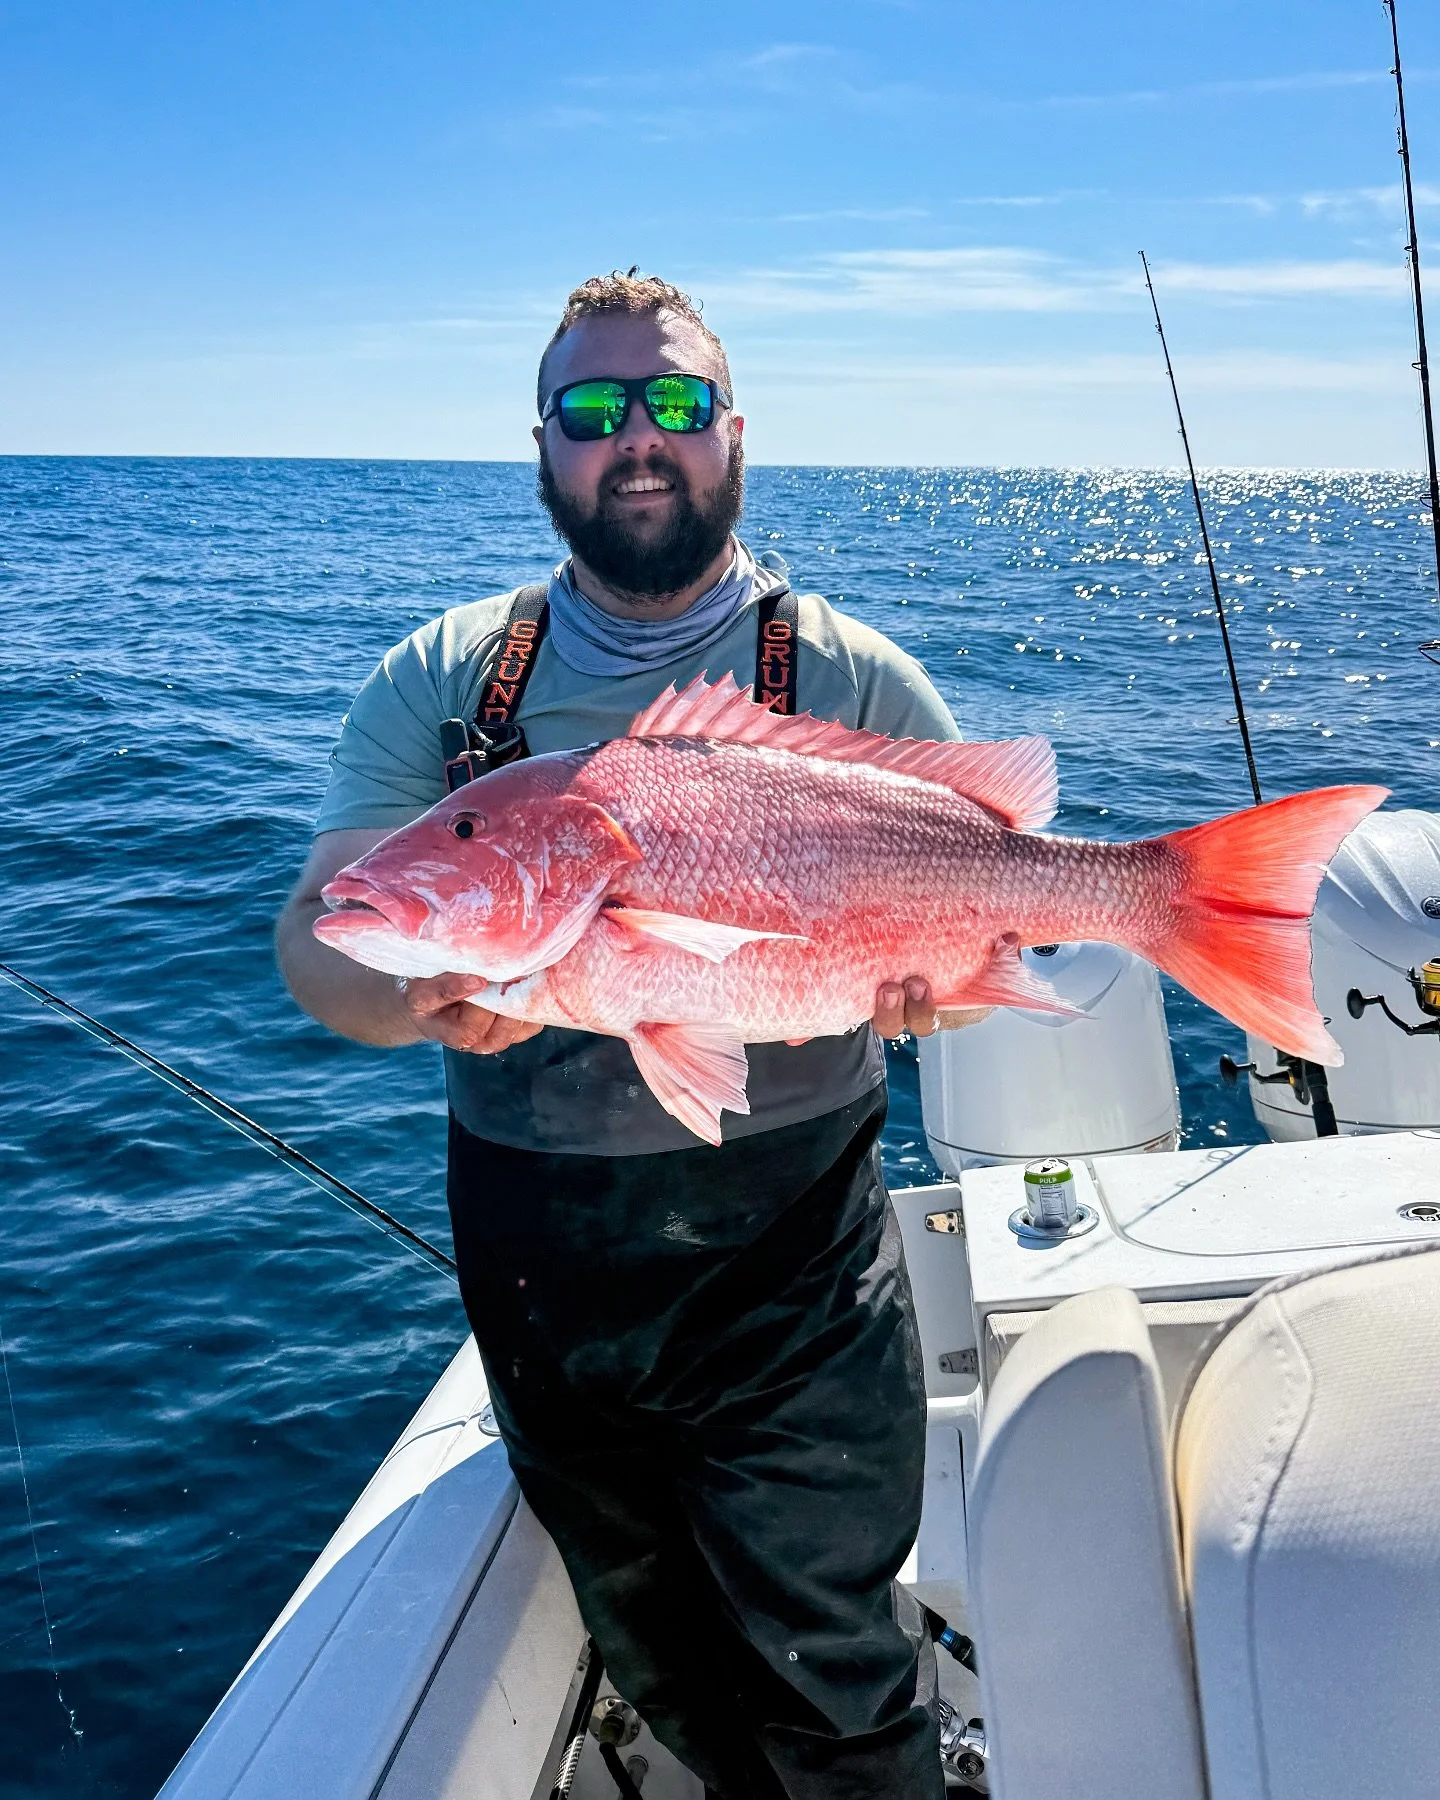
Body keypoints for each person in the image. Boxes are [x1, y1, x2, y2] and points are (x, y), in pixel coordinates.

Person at [276, 271, 970, 1800]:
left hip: (797, 1270)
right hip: (545, 1287)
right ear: (545, 445)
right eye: (596, 411)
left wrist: (949, 973)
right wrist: (409, 989)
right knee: (657, 1654)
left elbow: (986, 885)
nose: (638, 437)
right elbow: (322, 933)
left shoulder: (852, 676)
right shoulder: (448, 678)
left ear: (735, 436)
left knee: (839, 1673)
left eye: (677, 405)